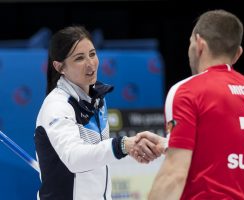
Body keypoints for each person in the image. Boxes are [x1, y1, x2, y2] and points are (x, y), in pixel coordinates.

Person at [135, 9, 244, 200]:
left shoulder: (187, 90)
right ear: (238, 53)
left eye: (190, 42)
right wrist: (170, 143)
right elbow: (224, 154)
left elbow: (174, 175)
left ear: (199, 44)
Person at [34, 25, 161, 200]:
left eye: (92, 54)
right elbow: (75, 158)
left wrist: (129, 152)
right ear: (59, 67)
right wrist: (122, 145)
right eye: (79, 58)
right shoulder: (56, 107)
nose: (90, 63)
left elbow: (96, 159)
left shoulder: (97, 98)